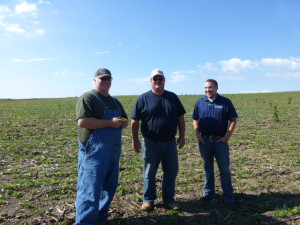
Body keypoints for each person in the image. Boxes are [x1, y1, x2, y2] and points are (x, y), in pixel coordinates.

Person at [75, 68, 128, 225]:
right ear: (94, 80)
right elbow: (83, 121)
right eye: (102, 79)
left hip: (112, 151)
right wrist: (110, 123)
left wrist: (122, 123)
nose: (105, 82)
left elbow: (124, 121)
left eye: (108, 79)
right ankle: (85, 222)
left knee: (109, 187)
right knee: (90, 190)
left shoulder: (114, 101)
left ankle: (101, 218)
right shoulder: (88, 98)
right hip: (94, 153)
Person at [131, 69, 186, 211]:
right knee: (149, 173)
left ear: (164, 81)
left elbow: (180, 118)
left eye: (160, 79)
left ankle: (169, 199)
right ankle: (148, 200)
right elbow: (135, 121)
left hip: (169, 143)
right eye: (155, 79)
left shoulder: (172, 97)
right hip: (150, 143)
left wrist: (182, 136)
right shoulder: (143, 98)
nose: (158, 81)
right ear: (151, 81)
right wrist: (135, 141)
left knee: (171, 171)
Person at [192, 79, 238, 208]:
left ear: (217, 88)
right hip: (205, 141)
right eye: (206, 87)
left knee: (224, 169)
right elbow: (195, 118)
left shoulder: (225, 102)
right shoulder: (200, 102)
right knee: (208, 168)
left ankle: (228, 196)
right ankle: (208, 193)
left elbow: (233, 120)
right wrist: (197, 134)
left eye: (210, 87)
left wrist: (227, 136)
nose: (208, 90)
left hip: (220, 141)